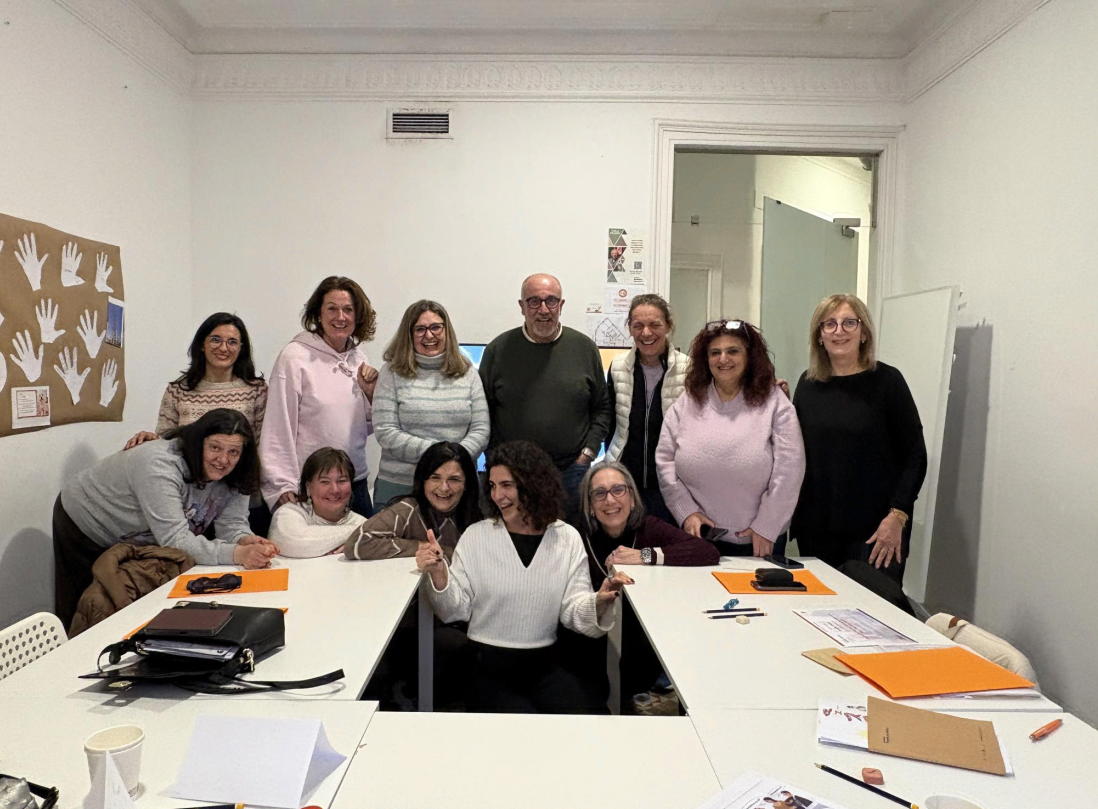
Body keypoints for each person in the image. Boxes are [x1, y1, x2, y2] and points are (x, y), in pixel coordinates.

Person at [418, 440, 630, 714]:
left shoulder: (566, 537)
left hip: (546, 665)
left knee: (591, 719)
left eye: (507, 485)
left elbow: (572, 610)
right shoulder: (476, 536)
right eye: (492, 486)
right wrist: (439, 573)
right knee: (521, 728)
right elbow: (454, 611)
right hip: (486, 666)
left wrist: (598, 602)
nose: (497, 496)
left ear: (533, 484)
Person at [53, 408, 279, 629]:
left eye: (233, 452)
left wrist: (244, 539)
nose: (223, 460)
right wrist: (238, 554)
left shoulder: (240, 472)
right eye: (214, 447)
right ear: (198, 442)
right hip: (87, 521)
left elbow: (232, 523)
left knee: (132, 608)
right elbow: (175, 540)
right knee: (86, 609)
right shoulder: (160, 465)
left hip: (141, 536)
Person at [790, 294, 927, 582]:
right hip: (818, 527)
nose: (839, 331)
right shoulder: (808, 384)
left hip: (876, 530)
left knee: (875, 607)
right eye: (829, 324)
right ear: (819, 336)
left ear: (864, 333)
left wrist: (898, 516)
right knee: (822, 606)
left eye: (849, 323)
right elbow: (795, 449)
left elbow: (915, 455)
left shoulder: (888, 381)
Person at [656, 319, 805, 557]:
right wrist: (687, 512)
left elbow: (790, 469)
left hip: (759, 539)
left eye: (733, 351)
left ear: (750, 357)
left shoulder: (775, 402)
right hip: (699, 535)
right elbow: (665, 460)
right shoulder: (688, 401)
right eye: (715, 352)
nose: (723, 359)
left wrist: (768, 525)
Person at [578, 460, 719, 709]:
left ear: (632, 498)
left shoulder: (647, 527)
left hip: (636, 638)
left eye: (618, 490)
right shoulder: (577, 534)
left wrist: (646, 555)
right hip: (590, 636)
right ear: (590, 506)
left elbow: (706, 551)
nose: (610, 500)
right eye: (599, 493)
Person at [479, 273, 612, 524]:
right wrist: (496, 461)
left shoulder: (585, 348)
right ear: (522, 306)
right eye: (534, 301)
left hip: (571, 472)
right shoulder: (497, 350)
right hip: (513, 476)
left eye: (551, 301)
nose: (543, 309)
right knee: (516, 539)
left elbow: (602, 408)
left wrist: (588, 453)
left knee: (569, 540)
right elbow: (483, 411)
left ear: (561, 305)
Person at [261, 276, 379, 519]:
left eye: (348, 310)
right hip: (311, 486)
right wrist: (281, 484)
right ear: (318, 314)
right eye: (332, 309)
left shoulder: (359, 359)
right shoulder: (295, 357)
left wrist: (372, 394)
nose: (340, 317)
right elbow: (278, 425)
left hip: (354, 482)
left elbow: (363, 427)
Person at [371, 300, 489, 505]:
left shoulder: (467, 373)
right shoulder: (391, 373)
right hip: (401, 486)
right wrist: (441, 455)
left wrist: (454, 461)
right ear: (408, 334)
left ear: (446, 330)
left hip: (457, 486)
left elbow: (481, 429)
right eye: (420, 329)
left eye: (436, 327)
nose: (429, 335)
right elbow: (385, 431)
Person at [124, 312, 267, 449]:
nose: (224, 348)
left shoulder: (257, 391)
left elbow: (265, 446)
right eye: (215, 340)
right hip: (185, 467)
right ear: (201, 344)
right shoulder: (177, 391)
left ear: (241, 348)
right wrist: (149, 440)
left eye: (232, 342)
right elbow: (165, 445)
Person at [604, 294, 689, 524]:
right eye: (638, 325)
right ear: (630, 328)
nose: (646, 333)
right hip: (625, 482)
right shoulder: (618, 367)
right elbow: (610, 423)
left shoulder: (689, 369)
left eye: (654, 325)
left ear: (668, 326)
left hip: (671, 484)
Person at [344, 441, 481, 561]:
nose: (444, 487)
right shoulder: (406, 510)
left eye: (454, 479)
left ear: (466, 484)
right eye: (435, 478)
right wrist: (426, 548)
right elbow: (357, 543)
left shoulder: (479, 514)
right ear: (423, 481)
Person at [267, 447, 367, 558]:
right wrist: (357, 532)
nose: (335, 490)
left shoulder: (359, 521)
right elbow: (294, 543)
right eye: (325, 482)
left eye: (342, 481)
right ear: (309, 487)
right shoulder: (289, 512)